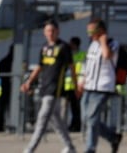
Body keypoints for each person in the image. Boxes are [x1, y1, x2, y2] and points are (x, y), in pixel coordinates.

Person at [21, 20, 77, 153]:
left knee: (42, 118)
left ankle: (30, 149)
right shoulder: (44, 47)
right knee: (55, 119)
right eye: (47, 31)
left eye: (52, 31)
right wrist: (28, 82)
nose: (50, 34)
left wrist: (76, 86)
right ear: (44, 33)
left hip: (55, 88)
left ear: (57, 31)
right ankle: (70, 147)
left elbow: (71, 67)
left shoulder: (63, 47)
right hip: (44, 87)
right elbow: (39, 67)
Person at [77, 18, 122, 153]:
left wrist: (103, 41)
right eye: (88, 32)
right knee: (86, 118)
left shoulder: (112, 43)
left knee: (92, 118)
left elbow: (108, 55)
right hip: (89, 86)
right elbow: (88, 64)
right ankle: (112, 137)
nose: (90, 35)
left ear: (101, 31)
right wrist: (82, 80)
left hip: (103, 87)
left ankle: (90, 148)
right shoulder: (92, 45)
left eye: (93, 31)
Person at [65, 37, 84, 132]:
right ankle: (71, 125)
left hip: (77, 85)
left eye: (71, 44)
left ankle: (77, 125)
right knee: (71, 107)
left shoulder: (82, 55)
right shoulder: (68, 55)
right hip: (68, 85)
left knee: (77, 107)